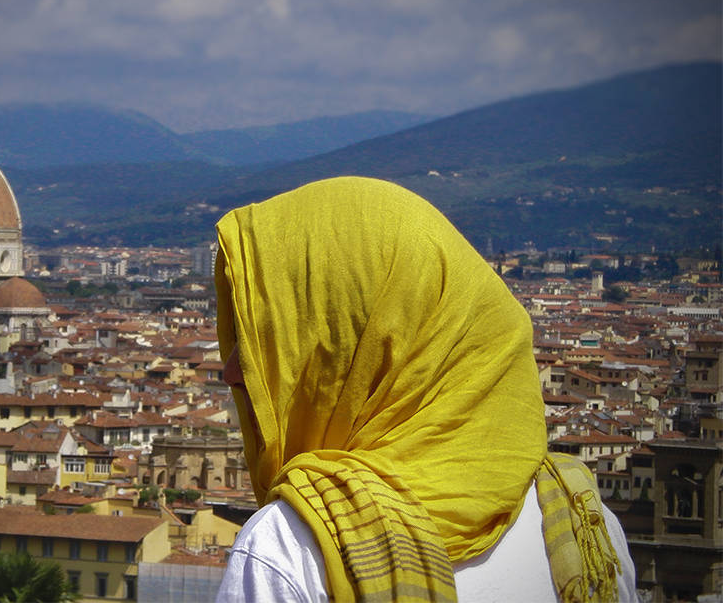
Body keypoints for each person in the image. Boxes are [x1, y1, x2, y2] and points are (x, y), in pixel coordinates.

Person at [213, 177, 637, 602]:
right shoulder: (584, 522)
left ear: (354, 351)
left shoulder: (291, 552)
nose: (231, 371)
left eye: (263, 339)